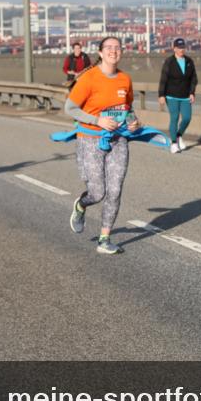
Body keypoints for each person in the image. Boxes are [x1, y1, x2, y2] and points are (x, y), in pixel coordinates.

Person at [64, 35, 141, 255]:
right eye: (108, 47)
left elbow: (128, 107)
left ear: (121, 52)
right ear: (100, 52)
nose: (113, 51)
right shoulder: (89, 78)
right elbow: (70, 108)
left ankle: (105, 239)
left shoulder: (125, 79)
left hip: (118, 140)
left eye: (117, 48)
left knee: (115, 191)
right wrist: (97, 120)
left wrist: (133, 122)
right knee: (98, 192)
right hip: (90, 139)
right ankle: (81, 204)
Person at [158, 37, 198, 154]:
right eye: (179, 48)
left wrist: (192, 92)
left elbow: (194, 79)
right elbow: (163, 79)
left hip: (185, 95)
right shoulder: (169, 62)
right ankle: (174, 143)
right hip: (171, 95)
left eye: (183, 48)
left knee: (187, 118)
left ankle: (179, 135)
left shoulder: (189, 61)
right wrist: (161, 94)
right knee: (174, 118)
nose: (181, 50)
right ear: (174, 48)